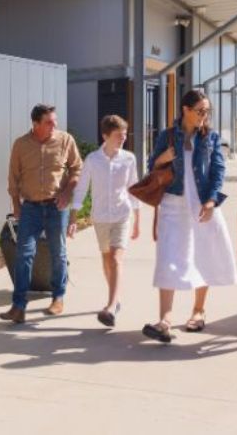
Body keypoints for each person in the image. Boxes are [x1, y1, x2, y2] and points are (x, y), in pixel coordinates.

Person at [142, 89, 237, 343]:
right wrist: (164, 157)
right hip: (173, 203)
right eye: (200, 111)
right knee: (167, 258)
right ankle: (164, 320)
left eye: (207, 111)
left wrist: (211, 200)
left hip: (202, 206)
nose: (205, 116)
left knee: (203, 256)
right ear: (185, 109)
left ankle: (198, 311)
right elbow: (152, 167)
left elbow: (218, 170)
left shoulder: (211, 137)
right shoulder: (167, 135)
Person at [0, 104, 83, 324]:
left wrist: (66, 193)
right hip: (30, 209)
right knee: (24, 254)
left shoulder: (65, 140)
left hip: (57, 207)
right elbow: (13, 178)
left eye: (55, 121)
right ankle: (18, 306)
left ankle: (58, 298)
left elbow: (77, 169)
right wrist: (16, 205)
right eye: (49, 122)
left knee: (58, 253)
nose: (54, 125)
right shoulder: (21, 145)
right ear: (35, 124)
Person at [71, 115, 140, 327]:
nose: (123, 139)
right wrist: (73, 215)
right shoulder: (92, 159)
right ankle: (115, 299)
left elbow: (133, 188)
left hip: (121, 215)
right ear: (105, 136)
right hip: (100, 217)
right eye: (119, 135)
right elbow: (82, 187)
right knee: (107, 260)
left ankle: (110, 306)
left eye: (125, 135)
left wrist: (137, 219)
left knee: (117, 259)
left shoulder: (129, 158)